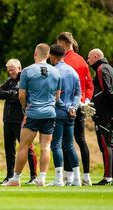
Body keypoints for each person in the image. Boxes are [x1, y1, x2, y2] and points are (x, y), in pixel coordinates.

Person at [5, 43, 61, 187]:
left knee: (24, 146)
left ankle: (16, 179)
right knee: (46, 146)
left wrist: (25, 108)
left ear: (35, 53)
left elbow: (21, 95)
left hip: (33, 112)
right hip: (50, 113)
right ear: (48, 55)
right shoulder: (56, 72)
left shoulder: (28, 71)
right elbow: (57, 96)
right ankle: (42, 178)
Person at [57, 32, 94, 185]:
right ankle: (86, 176)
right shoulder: (82, 60)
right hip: (81, 105)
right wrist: (85, 100)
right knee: (81, 140)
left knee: (66, 141)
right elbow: (89, 85)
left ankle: (68, 176)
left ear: (62, 43)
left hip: (68, 106)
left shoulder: (64, 61)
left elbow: (63, 86)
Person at [0, 58, 38, 185]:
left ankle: (33, 176)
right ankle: (9, 176)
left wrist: (12, 95)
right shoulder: (9, 81)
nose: (10, 72)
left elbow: (20, 97)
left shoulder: (25, 79)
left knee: (27, 148)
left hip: (20, 119)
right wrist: (11, 93)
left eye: (12, 69)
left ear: (19, 68)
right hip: (8, 119)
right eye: (9, 70)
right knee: (9, 149)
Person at [48, 44, 82, 186]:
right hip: (71, 114)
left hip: (59, 112)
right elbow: (78, 93)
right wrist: (73, 107)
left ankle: (59, 179)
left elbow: (55, 96)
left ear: (53, 56)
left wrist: (67, 107)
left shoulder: (54, 71)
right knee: (70, 145)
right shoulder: (72, 71)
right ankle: (77, 179)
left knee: (56, 145)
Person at [87, 48, 113, 185]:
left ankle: (108, 177)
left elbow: (107, 92)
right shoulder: (109, 68)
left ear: (96, 56)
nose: (88, 60)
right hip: (108, 114)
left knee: (106, 144)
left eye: (89, 57)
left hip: (104, 115)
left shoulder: (101, 69)